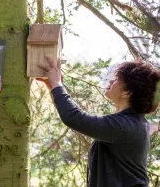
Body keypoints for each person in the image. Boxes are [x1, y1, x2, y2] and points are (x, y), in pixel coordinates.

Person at [37, 57, 160, 187]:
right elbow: (78, 121)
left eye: (117, 80)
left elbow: (75, 118)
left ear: (127, 92)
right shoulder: (133, 122)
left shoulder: (126, 126)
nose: (111, 81)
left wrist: (57, 85)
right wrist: (55, 87)